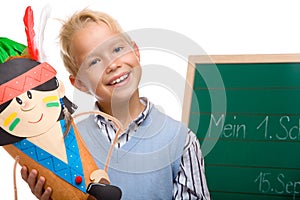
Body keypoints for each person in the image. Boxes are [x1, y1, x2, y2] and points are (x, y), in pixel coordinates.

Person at [21, 8, 211, 200]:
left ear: (135, 52)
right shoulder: (69, 145)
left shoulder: (181, 141)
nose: (112, 65)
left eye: (117, 49)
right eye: (94, 61)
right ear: (79, 83)